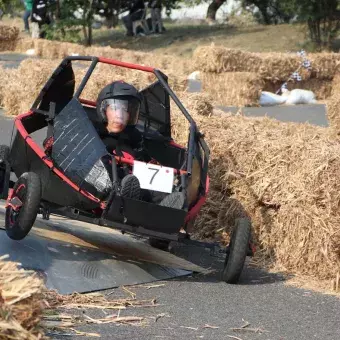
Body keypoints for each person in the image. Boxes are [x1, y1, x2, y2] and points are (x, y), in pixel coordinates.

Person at [96, 81, 185, 209]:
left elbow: (146, 163)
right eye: (115, 108)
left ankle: (164, 207)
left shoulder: (134, 138)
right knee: (109, 168)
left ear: (131, 115)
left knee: (156, 183)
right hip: (106, 185)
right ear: (104, 110)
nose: (120, 116)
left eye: (125, 111)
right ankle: (124, 196)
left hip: (133, 183)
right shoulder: (95, 133)